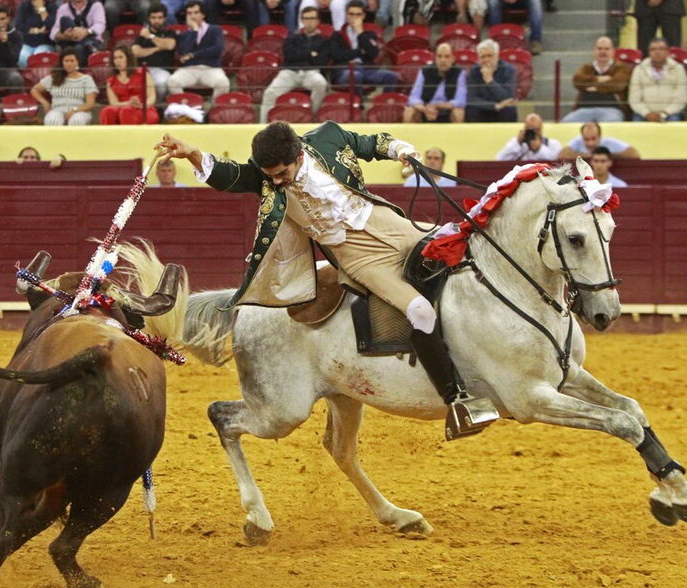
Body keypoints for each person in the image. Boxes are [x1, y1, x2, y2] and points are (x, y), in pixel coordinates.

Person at [156, 121, 498, 433]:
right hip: (356, 257)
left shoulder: (328, 138)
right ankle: (457, 400)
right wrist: (192, 153)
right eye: (270, 176)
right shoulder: (266, 177)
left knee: (459, 254)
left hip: (387, 224)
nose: (276, 181)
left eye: (282, 173)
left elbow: (371, 143)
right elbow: (229, 175)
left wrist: (402, 150)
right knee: (419, 310)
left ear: (298, 154)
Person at [259, 6, 329, 123]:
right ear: (301, 20)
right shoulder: (292, 37)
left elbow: (321, 61)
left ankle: (314, 118)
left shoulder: (324, 40)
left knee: (321, 84)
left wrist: (300, 54)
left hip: (311, 72)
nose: (309, 21)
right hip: (290, 71)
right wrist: (310, 54)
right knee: (269, 92)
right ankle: (263, 125)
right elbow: (289, 56)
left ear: (318, 21)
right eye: (306, 18)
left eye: (312, 18)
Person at [329, 1, 397, 96]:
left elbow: (373, 54)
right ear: (347, 15)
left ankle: (384, 105)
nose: (354, 17)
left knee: (391, 76)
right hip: (344, 71)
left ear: (363, 16)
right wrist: (360, 51)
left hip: (366, 70)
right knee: (356, 75)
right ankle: (358, 105)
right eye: (351, 14)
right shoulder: (337, 35)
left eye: (358, 14)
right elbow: (337, 55)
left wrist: (361, 33)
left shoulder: (369, 35)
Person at [166, 1, 230, 100]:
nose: (193, 16)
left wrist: (193, 55)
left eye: (196, 13)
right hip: (189, 69)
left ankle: (211, 111)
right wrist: (194, 30)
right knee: (172, 82)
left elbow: (217, 49)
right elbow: (184, 52)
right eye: (189, 13)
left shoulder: (215, 29)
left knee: (223, 83)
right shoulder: (183, 34)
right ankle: (188, 109)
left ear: (203, 14)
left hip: (210, 68)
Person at [561, 36, 632, 123]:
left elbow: (617, 85)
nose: (603, 52)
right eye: (599, 49)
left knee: (612, 122)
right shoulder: (586, 67)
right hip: (584, 109)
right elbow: (577, 81)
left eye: (606, 49)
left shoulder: (622, 67)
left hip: (611, 110)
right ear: (594, 51)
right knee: (567, 122)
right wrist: (598, 79)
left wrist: (595, 88)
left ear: (613, 51)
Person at [30, 48, 98, 125]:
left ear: (77, 62)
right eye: (66, 61)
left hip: (80, 110)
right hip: (57, 110)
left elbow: (90, 103)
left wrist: (74, 110)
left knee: (76, 121)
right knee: (52, 121)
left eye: (72, 61)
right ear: (62, 63)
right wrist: (45, 102)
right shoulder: (54, 77)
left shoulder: (86, 79)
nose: (69, 63)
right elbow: (35, 90)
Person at [403, 42, 466, 123]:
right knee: (409, 111)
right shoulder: (425, 71)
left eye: (447, 57)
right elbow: (413, 98)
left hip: (447, 111)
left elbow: (461, 100)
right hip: (426, 110)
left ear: (453, 59)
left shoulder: (459, 72)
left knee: (459, 112)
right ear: (435, 58)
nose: (443, 60)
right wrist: (425, 109)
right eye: (439, 56)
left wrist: (437, 106)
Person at [628, 37, 687, 122]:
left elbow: (681, 98)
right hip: (643, 114)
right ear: (649, 52)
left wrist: (664, 113)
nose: (657, 52)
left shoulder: (678, 69)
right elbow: (634, 99)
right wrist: (647, 113)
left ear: (667, 52)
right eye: (653, 49)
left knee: (674, 123)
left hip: (671, 114)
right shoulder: (639, 69)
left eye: (661, 49)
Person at [100, 44, 158, 124]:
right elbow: (113, 103)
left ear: (129, 59)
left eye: (121, 57)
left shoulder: (143, 74)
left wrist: (142, 105)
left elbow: (152, 97)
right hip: (123, 108)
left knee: (126, 111)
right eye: (115, 58)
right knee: (107, 110)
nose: (117, 61)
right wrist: (128, 104)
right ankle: (107, 136)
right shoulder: (111, 81)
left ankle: (129, 136)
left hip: (144, 109)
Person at [131, 3, 177, 102]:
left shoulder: (170, 33)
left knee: (161, 83)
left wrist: (151, 37)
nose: (156, 21)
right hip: (143, 70)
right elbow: (136, 52)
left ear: (165, 19)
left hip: (162, 70)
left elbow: (169, 45)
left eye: (160, 18)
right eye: (153, 17)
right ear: (149, 18)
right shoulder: (142, 34)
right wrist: (157, 48)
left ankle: (157, 106)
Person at [465, 38, 517, 123]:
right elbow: (471, 98)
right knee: (471, 108)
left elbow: (508, 97)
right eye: (483, 57)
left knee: (509, 108)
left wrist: (490, 81)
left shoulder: (508, 70)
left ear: (497, 56)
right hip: (484, 108)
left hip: (502, 110)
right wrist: (494, 106)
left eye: (489, 56)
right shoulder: (474, 71)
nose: (486, 60)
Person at [51, 0, 106, 66]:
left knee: (78, 48)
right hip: (70, 43)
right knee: (65, 20)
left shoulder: (96, 5)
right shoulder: (63, 8)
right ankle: (87, 45)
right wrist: (65, 36)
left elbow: (100, 25)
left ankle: (86, 44)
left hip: (93, 41)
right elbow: (53, 33)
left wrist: (86, 31)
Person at [495, 112, 560, 161]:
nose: (533, 133)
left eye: (536, 130)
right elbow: (500, 159)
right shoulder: (516, 143)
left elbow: (556, 163)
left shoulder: (552, 143)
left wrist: (539, 148)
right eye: (530, 129)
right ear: (525, 128)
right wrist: (518, 142)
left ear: (541, 128)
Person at [558, 121, 640, 160]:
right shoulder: (577, 141)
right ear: (582, 136)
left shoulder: (609, 142)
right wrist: (588, 156)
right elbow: (561, 155)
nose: (590, 143)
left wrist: (607, 155)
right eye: (586, 139)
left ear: (600, 136)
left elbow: (634, 154)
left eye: (593, 139)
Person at [15, 0, 58, 69]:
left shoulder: (52, 6)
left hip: (46, 43)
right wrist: (36, 30)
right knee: (22, 58)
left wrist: (41, 8)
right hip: (28, 43)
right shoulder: (24, 6)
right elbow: (19, 25)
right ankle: (28, 78)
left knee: (38, 58)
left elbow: (50, 25)